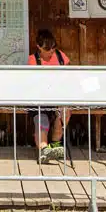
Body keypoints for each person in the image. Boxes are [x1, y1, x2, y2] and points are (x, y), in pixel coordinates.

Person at [28, 28, 70, 163]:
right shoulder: (33, 60)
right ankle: (43, 150)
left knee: (64, 112)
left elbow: (70, 74)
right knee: (41, 118)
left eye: (53, 48)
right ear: (39, 47)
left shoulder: (60, 56)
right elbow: (34, 82)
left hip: (58, 95)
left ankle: (55, 145)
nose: (51, 51)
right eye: (48, 49)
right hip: (39, 98)